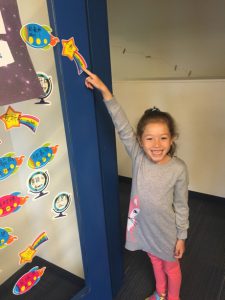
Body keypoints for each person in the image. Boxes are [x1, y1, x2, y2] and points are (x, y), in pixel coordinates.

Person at [84, 69, 189, 300]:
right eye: (149, 138)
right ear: (140, 141)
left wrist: (182, 235)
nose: (157, 144)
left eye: (163, 137)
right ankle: (160, 293)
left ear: (172, 139)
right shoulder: (139, 157)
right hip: (144, 226)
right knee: (153, 259)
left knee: (171, 267)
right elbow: (121, 125)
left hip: (166, 231)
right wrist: (104, 91)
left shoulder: (178, 168)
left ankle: (173, 298)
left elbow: (182, 205)